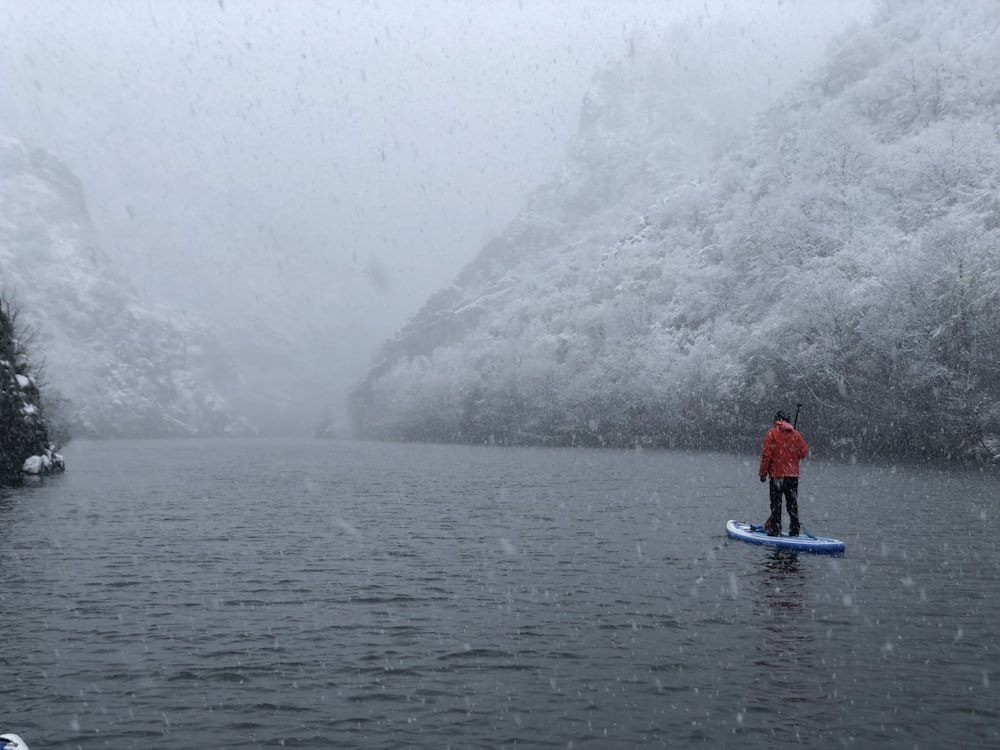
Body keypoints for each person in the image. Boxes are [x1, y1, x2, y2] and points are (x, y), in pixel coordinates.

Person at [758, 410, 808, 536]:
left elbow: (766, 455)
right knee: (792, 504)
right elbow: (803, 452)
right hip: (792, 476)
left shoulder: (772, 433)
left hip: (777, 476)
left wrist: (763, 473)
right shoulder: (795, 434)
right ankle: (795, 530)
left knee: (776, 504)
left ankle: (775, 529)